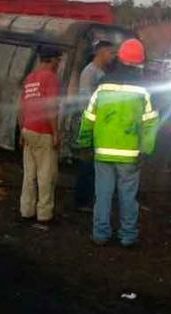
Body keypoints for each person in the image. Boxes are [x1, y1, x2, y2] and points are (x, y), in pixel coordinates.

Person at [77, 39, 159, 247]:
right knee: (128, 196)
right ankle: (128, 236)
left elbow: (89, 117)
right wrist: (146, 150)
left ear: (120, 57)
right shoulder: (144, 90)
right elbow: (150, 123)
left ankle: (100, 234)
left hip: (103, 152)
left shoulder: (102, 86)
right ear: (140, 61)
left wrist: (84, 142)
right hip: (130, 154)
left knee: (102, 194)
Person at [19, 46, 62, 224]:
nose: (59, 64)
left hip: (28, 129)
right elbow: (50, 108)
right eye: (58, 60)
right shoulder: (50, 78)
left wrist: (22, 130)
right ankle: (44, 214)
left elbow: (21, 107)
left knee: (29, 174)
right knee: (46, 175)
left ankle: (26, 210)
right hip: (43, 131)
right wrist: (55, 132)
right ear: (51, 60)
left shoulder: (30, 78)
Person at [74, 40, 114, 212]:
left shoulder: (100, 72)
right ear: (101, 52)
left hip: (98, 126)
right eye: (110, 53)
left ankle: (89, 199)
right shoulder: (89, 73)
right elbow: (85, 102)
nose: (112, 56)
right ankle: (82, 201)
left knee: (93, 166)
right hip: (90, 126)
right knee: (86, 165)